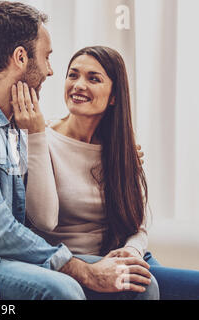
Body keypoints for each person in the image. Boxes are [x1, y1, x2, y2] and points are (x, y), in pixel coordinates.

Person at [0, 1, 159, 300]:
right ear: (20, 57)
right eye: (47, 57)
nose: (51, 71)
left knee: (135, 285)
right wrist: (81, 269)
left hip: (5, 257)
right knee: (63, 289)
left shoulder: (11, 123)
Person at [16, 45, 199, 300]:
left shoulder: (121, 148)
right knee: (141, 289)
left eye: (93, 78)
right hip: (74, 262)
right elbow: (42, 219)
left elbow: (138, 222)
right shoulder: (40, 139)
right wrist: (34, 137)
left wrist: (132, 252)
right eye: (73, 75)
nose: (79, 85)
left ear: (114, 96)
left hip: (122, 254)